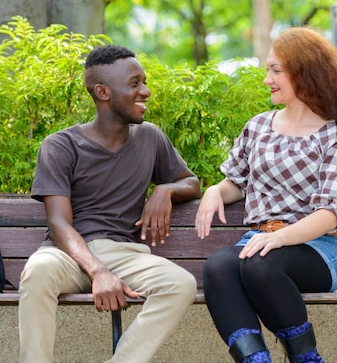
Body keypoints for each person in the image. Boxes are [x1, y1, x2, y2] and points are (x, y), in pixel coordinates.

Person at [195, 27, 337, 363]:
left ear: (306, 73)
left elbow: (329, 216)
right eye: (268, 69)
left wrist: (280, 239)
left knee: (258, 265)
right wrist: (214, 191)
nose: (267, 79)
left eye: (276, 70)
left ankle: (306, 358)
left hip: (320, 249)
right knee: (219, 266)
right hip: (261, 242)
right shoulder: (259, 127)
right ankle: (255, 360)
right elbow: (237, 182)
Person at [19, 45, 201, 363]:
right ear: (102, 92)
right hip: (69, 255)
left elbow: (192, 183)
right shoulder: (60, 145)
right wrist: (98, 271)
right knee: (38, 270)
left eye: (143, 82)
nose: (145, 91)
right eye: (134, 84)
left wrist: (165, 190)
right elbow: (59, 223)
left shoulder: (150, 138)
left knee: (180, 284)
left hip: (124, 254)